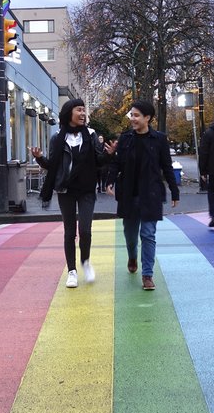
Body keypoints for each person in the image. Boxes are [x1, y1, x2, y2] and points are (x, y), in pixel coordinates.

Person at [31, 99, 108, 288]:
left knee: (85, 230)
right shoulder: (58, 137)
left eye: (84, 110)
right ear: (69, 112)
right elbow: (53, 166)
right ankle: (72, 271)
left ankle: (86, 263)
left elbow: (99, 161)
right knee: (69, 232)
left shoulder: (90, 135)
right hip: (65, 189)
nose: (83, 113)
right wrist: (40, 158)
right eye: (79, 110)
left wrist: (110, 154)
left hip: (87, 189)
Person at [105, 100, 180, 290]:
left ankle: (147, 275)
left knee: (148, 234)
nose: (133, 119)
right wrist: (109, 180)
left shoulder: (159, 139)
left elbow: (167, 167)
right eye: (131, 115)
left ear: (148, 118)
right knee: (130, 235)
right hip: (129, 194)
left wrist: (174, 190)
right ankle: (132, 256)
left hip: (151, 193)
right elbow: (117, 163)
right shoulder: (125, 138)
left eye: (136, 115)